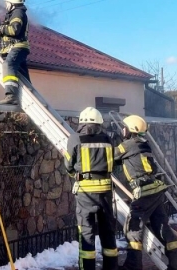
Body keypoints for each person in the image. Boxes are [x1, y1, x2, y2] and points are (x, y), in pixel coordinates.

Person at [115, 115, 177, 270]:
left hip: (144, 193)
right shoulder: (144, 144)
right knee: (162, 227)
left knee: (133, 228)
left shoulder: (127, 145)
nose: (122, 129)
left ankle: (132, 267)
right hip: (156, 190)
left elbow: (111, 157)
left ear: (130, 130)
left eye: (124, 127)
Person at [64, 107, 119, 270]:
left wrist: (75, 173)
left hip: (85, 194)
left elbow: (69, 165)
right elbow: (114, 164)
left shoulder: (75, 138)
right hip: (106, 193)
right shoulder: (108, 139)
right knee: (108, 232)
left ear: (82, 122)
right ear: (99, 123)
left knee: (86, 234)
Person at [0, 0, 30, 105]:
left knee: (8, 64)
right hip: (17, 47)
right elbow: (4, 34)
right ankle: (30, 94)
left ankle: (11, 95)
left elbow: (14, 30)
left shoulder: (18, 12)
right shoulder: (13, 14)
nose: (5, 5)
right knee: (22, 76)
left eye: (7, 3)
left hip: (17, 47)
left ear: (11, 3)